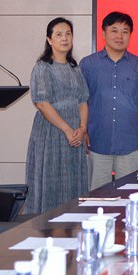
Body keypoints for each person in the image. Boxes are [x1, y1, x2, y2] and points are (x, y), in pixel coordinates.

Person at [80, 11, 138, 189]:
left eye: (125, 31)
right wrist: (83, 129)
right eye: (114, 30)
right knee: (97, 194)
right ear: (103, 33)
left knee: (128, 193)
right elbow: (81, 101)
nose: (119, 36)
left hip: (129, 140)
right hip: (96, 139)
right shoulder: (88, 64)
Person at [24, 17, 90, 214]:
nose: (64, 38)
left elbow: (83, 101)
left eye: (68, 34)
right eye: (59, 34)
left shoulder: (75, 68)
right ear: (49, 40)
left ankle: (72, 224)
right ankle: (48, 227)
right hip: (51, 132)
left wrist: (82, 128)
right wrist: (67, 129)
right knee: (52, 180)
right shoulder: (42, 67)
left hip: (75, 133)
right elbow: (42, 103)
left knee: (73, 180)